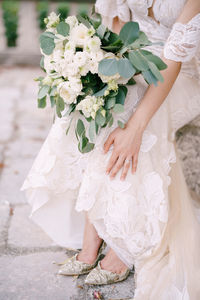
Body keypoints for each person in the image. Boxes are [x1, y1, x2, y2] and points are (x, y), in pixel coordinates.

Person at [21, 0, 200, 298]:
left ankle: (122, 243)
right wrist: (102, 75)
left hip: (181, 74)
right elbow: (115, 28)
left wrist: (135, 128)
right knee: (102, 99)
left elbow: (174, 58)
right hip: (134, 57)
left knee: (133, 112)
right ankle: (94, 235)